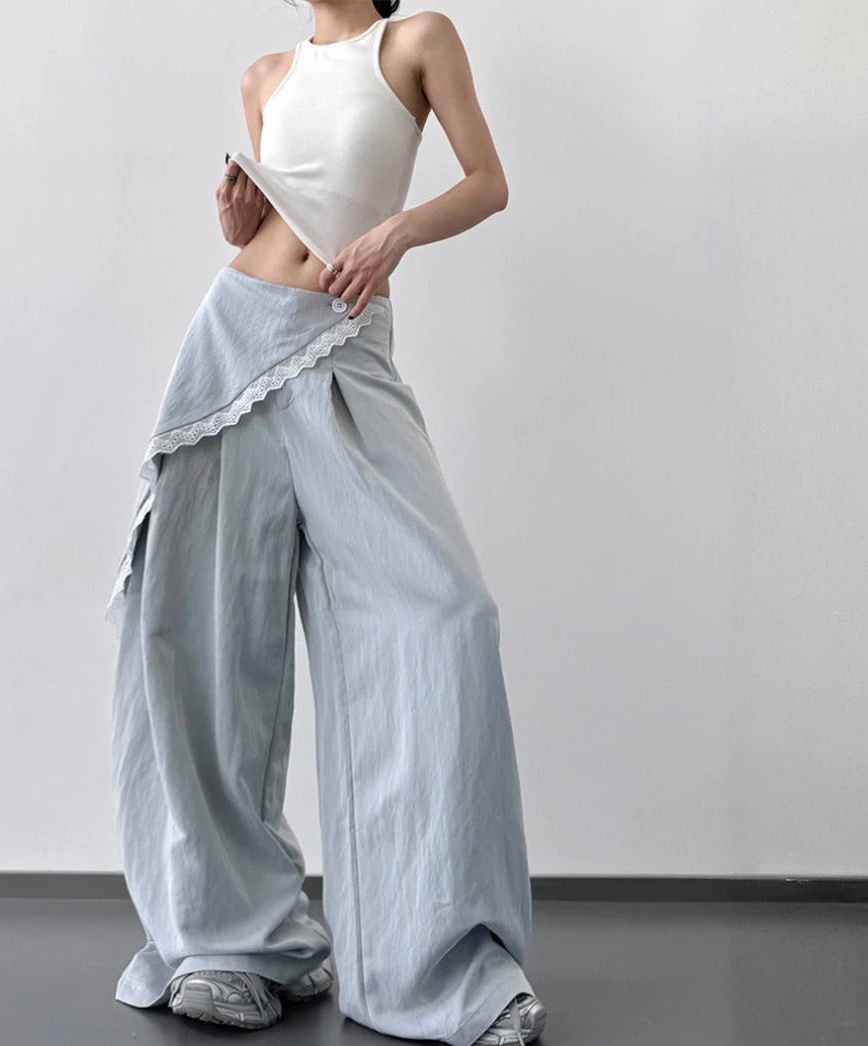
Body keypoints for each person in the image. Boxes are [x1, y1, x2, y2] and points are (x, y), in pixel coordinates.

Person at [104, 3, 549, 1044]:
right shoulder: (263, 75)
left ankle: (432, 963)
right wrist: (237, 220)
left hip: (344, 350)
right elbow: (279, 225)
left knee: (443, 619)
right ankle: (234, 940)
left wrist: (398, 230)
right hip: (233, 352)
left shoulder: (415, 42)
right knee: (208, 641)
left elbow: (487, 181)